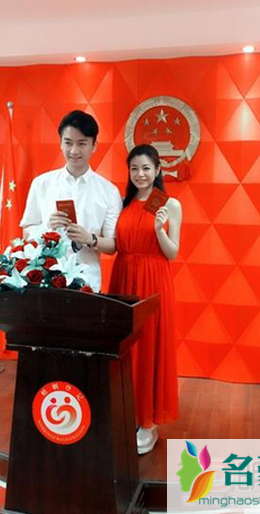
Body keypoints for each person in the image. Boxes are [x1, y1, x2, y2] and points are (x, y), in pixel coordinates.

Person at [109, 144, 182, 454]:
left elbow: (172, 252)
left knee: (150, 344)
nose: (140, 174)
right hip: (123, 276)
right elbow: (115, 244)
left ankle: (147, 422)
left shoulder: (167, 203)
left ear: (158, 170)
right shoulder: (123, 202)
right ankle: (126, 412)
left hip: (152, 281)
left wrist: (159, 230)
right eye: (134, 168)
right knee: (125, 347)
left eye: (146, 168)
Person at [20, 110, 122, 292]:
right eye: (68, 143)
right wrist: (47, 227)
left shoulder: (109, 192)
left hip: (88, 284)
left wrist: (90, 239)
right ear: (60, 143)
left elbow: (112, 245)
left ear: (94, 145)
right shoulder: (42, 184)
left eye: (81, 143)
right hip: (46, 282)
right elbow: (27, 233)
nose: (74, 151)